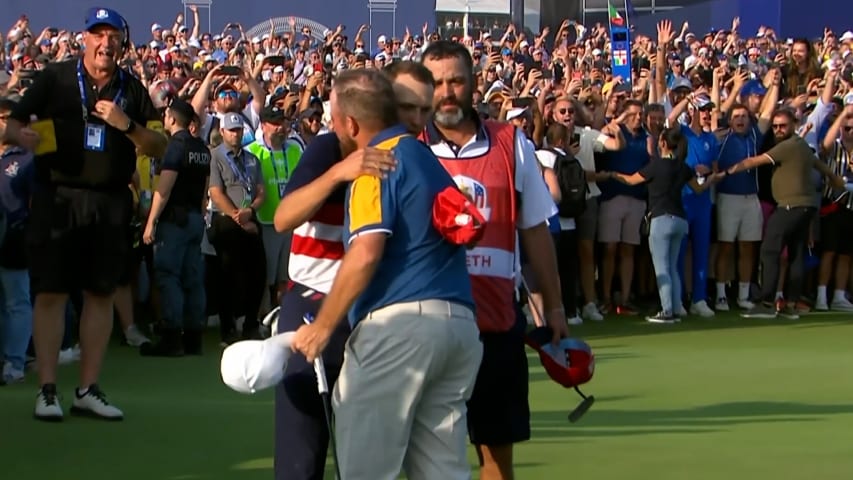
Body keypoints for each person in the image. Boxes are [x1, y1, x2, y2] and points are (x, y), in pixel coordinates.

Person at [291, 68, 482, 480]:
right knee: (443, 472)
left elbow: (365, 253)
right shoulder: (426, 157)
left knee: (365, 471)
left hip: (399, 329)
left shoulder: (374, 164)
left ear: (351, 123)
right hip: (459, 327)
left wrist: (323, 327)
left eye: (334, 118)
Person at [3, 7, 166, 421]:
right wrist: (20, 134)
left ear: (122, 45)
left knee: (101, 293)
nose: (105, 43)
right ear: (85, 39)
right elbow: (12, 124)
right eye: (98, 34)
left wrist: (126, 124)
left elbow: (159, 146)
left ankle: (88, 389)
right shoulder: (56, 77)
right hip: (57, 197)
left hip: (110, 201)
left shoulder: (131, 87)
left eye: (112, 36)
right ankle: (47, 391)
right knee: (52, 292)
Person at [269, 61, 429, 480]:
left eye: (420, 109)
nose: (415, 119)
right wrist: (341, 171)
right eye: (407, 107)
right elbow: (284, 217)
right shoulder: (327, 147)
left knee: (369, 450)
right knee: (301, 448)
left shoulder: (411, 153)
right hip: (312, 303)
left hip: (373, 313)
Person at [420, 40, 567, 480]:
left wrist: (555, 306)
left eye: (456, 81)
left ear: (473, 83)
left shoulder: (510, 142)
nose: (446, 92)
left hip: (497, 327)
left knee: (497, 461)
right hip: (428, 328)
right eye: (436, 82)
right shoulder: (407, 146)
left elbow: (536, 232)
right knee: (428, 459)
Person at [728, 109, 844, 319]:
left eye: (783, 125)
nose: (778, 130)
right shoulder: (802, 146)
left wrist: (726, 172)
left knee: (769, 251)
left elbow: (755, 161)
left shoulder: (788, 146)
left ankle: (766, 303)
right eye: (775, 126)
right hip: (806, 208)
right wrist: (836, 180)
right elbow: (821, 166)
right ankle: (790, 304)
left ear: (794, 124)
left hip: (790, 206)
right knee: (796, 254)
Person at [610, 127, 724, 323]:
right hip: (680, 220)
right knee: (671, 267)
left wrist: (611, 174)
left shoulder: (656, 166)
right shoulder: (683, 166)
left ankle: (667, 310)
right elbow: (698, 188)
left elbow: (630, 180)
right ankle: (677, 308)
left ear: (662, 143)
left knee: (662, 268)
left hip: (661, 220)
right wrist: (712, 178)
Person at [140, 99, 212, 356]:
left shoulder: (176, 146)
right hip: (194, 218)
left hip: (175, 221)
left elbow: (164, 188)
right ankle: (194, 338)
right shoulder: (202, 148)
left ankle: (172, 337)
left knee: (168, 276)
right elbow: (204, 189)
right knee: (192, 278)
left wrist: (151, 223)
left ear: (171, 119)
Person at [207, 113, 267, 342]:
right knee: (227, 275)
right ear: (222, 132)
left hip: (250, 218)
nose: (235, 134)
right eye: (231, 130)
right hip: (226, 221)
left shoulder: (252, 159)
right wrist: (237, 216)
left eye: (238, 129)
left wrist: (250, 212)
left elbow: (261, 191)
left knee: (258, 273)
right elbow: (215, 192)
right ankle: (228, 327)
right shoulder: (216, 157)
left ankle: (251, 323)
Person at [246, 105, 302, 311]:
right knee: (265, 276)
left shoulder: (296, 149)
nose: (280, 128)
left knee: (286, 277)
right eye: (275, 124)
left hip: (292, 222)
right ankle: (262, 316)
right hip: (266, 222)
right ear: (263, 126)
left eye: (283, 123)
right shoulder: (252, 151)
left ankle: (283, 316)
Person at [0, 96, 35, 385]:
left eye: (5, 117)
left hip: (15, 239)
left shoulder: (28, 159)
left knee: (17, 302)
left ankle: (15, 362)